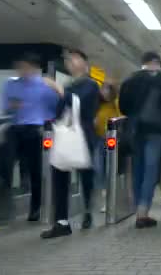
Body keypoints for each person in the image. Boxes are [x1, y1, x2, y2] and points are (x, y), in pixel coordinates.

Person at [41, 49, 100, 238]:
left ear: (84, 63)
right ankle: (61, 221)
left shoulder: (91, 84)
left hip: (83, 136)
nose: (70, 62)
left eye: (74, 58)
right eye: (68, 60)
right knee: (59, 174)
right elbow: (61, 109)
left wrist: (58, 89)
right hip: (65, 135)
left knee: (85, 176)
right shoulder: (69, 84)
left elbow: (78, 104)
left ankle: (87, 211)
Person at [118, 51, 161, 228]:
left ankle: (139, 210)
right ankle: (143, 212)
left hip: (135, 130)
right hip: (156, 131)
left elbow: (123, 107)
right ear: (156, 63)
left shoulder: (130, 80)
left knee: (138, 169)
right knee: (151, 170)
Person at [2, 53, 59, 222]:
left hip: (35, 131)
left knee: (36, 171)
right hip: (15, 129)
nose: (22, 70)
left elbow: (56, 108)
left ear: (35, 68)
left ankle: (35, 208)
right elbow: (5, 106)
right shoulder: (11, 85)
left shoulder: (44, 87)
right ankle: (3, 207)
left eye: (26, 67)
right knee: (6, 167)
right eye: (20, 67)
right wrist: (12, 106)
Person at [94, 82, 120, 212]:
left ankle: (111, 199)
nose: (104, 92)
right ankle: (105, 198)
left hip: (112, 140)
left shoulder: (116, 103)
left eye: (107, 90)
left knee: (110, 169)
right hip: (98, 139)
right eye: (102, 90)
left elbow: (121, 119)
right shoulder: (98, 104)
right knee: (99, 169)